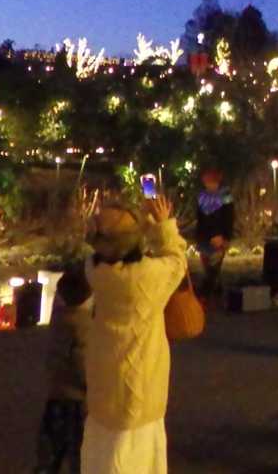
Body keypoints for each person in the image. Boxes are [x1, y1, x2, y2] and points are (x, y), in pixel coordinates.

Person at [83, 195, 187, 474]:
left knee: (103, 457)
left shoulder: (95, 270)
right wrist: (162, 225)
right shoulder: (145, 279)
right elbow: (177, 261)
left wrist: (138, 228)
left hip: (103, 388)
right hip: (139, 390)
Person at [36, 266, 91, 474]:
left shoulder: (58, 320)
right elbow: (81, 362)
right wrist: (91, 385)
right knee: (78, 449)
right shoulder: (82, 324)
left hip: (56, 393)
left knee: (52, 448)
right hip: (76, 399)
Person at [192, 168, 234, 301]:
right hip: (205, 237)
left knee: (213, 268)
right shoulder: (203, 195)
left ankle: (207, 294)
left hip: (218, 237)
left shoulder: (224, 194)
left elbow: (228, 216)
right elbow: (201, 218)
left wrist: (225, 236)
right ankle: (214, 293)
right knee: (209, 268)